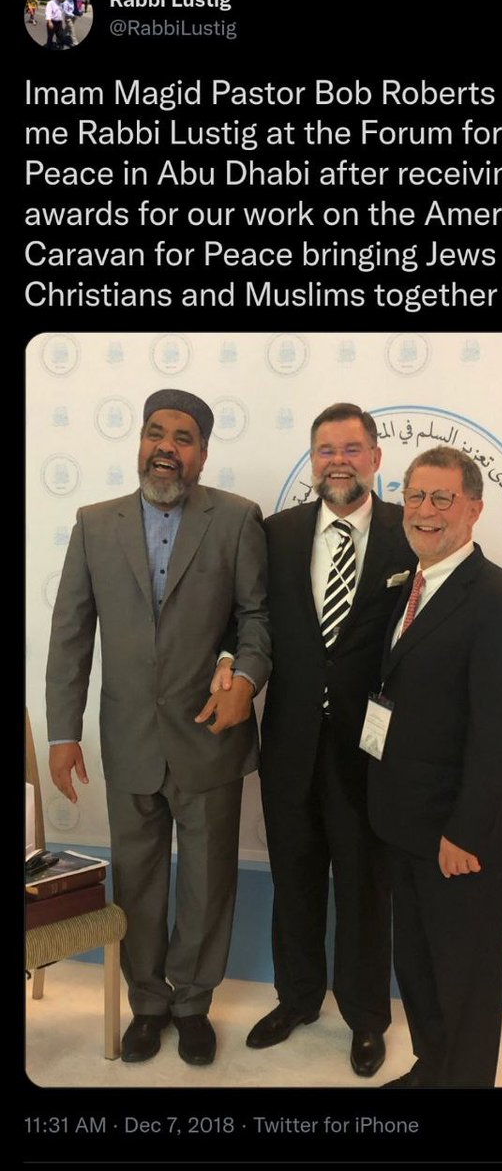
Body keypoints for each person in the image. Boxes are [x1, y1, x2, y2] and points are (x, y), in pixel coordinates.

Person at [45, 389, 271, 1066]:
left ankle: (193, 1003)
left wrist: (246, 679)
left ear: (202, 453)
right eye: (154, 433)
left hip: (210, 735)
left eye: (182, 437)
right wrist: (62, 733)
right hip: (129, 739)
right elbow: (70, 635)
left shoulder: (237, 519)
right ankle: (147, 1003)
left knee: (207, 880)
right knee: (138, 878)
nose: (165, 447)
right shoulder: (94, 524)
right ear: (140, 442)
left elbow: (257, 620)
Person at [225, 402, 416, 1077]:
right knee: (295, 879)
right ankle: (298, 998)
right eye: (326, 450)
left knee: (365, 888)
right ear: (312, 460)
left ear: (375, 458)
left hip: (369, 752)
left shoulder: (408, 532)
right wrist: (228, 664)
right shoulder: (275, 534)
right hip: (291, 745)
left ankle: (366, 1019)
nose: (338, 461)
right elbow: (246, 618)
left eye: (351, 449)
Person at [369, 446, 502, 1088]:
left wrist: (465, 833)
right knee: (418, 967)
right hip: (404, 824)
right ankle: (432, 1069)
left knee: (465, 979)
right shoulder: (409, 585)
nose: (426, 510)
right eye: (415, 496)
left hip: (457, 837)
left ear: (474, 509)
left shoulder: (497, 601)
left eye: (442, 498)